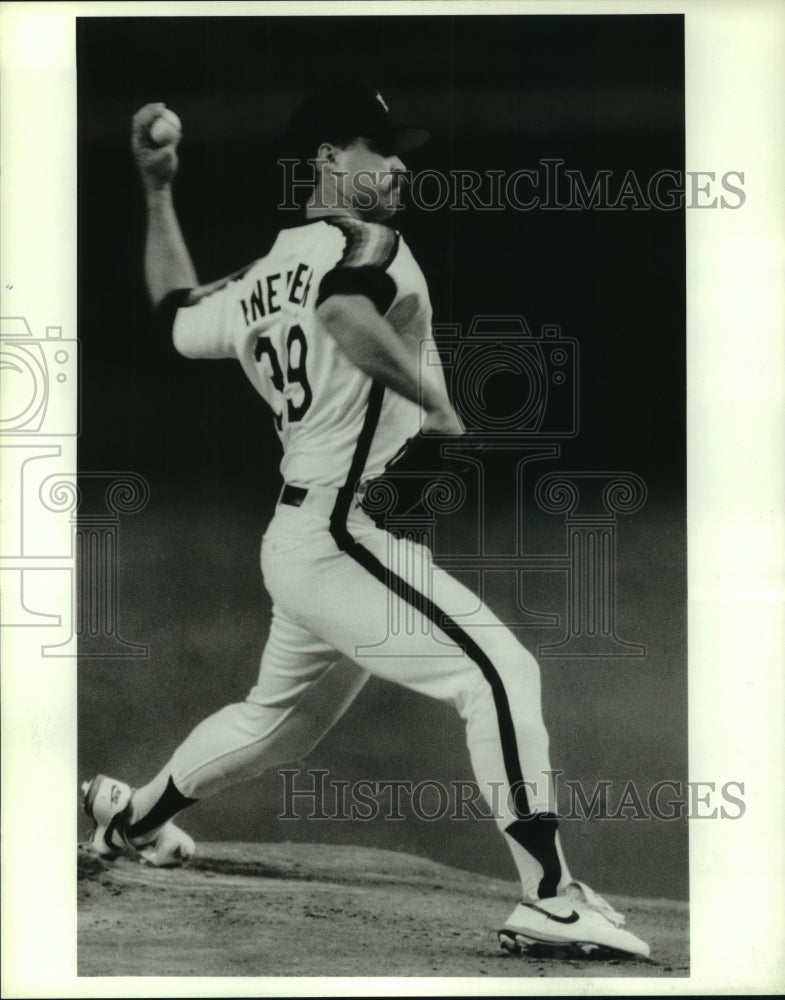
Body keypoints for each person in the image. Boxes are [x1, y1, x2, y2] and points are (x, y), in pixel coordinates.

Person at [81, 83, 650, 959]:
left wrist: (157, 189)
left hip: (304, 540)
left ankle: (129, 819)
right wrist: (435, 401)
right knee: (498, 675)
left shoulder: (262, 277)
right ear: (325, 164)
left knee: (277, 725)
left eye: (398, 149)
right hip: (337, 538)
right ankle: (550, 897)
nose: (394, 165)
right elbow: (346, 314)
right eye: (374, 148)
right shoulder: (369, 242)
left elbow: (171, 313)